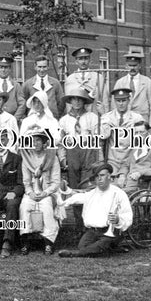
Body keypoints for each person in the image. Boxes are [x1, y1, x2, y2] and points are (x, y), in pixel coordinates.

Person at [58, 163, 133, 257]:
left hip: (112, 232)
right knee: (82, 246)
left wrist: (118, 219)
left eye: (102, 175)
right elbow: (77, 197)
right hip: (93, 232)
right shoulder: (92, 194)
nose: (99, 179)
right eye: (97, 176)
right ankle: (110, 249)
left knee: (102, 244)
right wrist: (64, 198)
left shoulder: (119, 194)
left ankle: (74, 254)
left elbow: (128, 216)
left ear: (109, 176)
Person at [58, 87, 99, 230]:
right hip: (72, 156)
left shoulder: (92, 117)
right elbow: (61, 143)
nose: (76, 102)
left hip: (88, 155)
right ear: (69, 101)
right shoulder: (64, 120)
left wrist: (97, 160)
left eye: (80, 99)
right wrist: (63, 159)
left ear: (84, 101)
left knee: (88, 190)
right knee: (75, 191)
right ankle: (78, 225)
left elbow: (97, 140)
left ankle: (90, 225)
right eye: (74, 99)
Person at [18, 130, 63, 255]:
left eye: (38, 140)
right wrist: (30, 193)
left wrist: (45, 193)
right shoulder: (27, 159)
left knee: (46, 206)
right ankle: (25, 242)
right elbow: (26, 182)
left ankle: (48, 242)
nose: (35, 143)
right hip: (32, 192)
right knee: (25, 206)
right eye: (33, 140)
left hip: (47, 192)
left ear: (44, 143)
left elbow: (55, 182)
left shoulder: (52, 158)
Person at [100, 88, 143, 185]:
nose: (121, 104)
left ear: (129, 100)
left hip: (129, 161)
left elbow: (140, 143)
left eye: (124, 100)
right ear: (114, 101)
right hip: (112, 161)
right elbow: (103, 136)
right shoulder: (107, 117)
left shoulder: (137, 118)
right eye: (118, 101)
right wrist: (107, 124)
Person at [113, 53, 151, 132]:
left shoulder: (147, 82)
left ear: (139, 66)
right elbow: (114, 106)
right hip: (124, 124)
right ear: (126, 66)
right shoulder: (120, 83)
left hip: (143, 124)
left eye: (135, 65)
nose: (132, 68)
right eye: (130, 65)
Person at [121, 121, 151, 194]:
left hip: (142, 184)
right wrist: (122, 175)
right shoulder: (135, 145)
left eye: (141, 132)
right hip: (127, 183)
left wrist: (140, 173)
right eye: (136, 133)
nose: (138, 135)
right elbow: (126, 164)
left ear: (148, 132)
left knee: (114, 195)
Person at [64, 48, 109, 114]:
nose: (83, 62)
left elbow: (105, 101)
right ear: (76, 61)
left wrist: (105, 116)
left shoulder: (98, 77)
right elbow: (68, 103)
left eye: (86, 58)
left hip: (94, 117)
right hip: (76, 117)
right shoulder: (70, 79)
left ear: (90, 60)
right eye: (80, 59)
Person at [0, 56, 26, 121]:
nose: (3, 70)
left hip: (13, 119)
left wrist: (14, 119)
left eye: (6, 67)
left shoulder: (16, 85)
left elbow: (22, 104)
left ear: (10, 69)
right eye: (1, 67)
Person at [22, 55, 64, 119]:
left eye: (44, 67)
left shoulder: (55, 83)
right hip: (34, 119)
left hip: (52, 119)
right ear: (35, 67)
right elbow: (24, 103)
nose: (42, 70)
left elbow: (61, 102)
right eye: (39, 67)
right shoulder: (28, 84)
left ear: (48, 67)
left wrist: (56, 115)